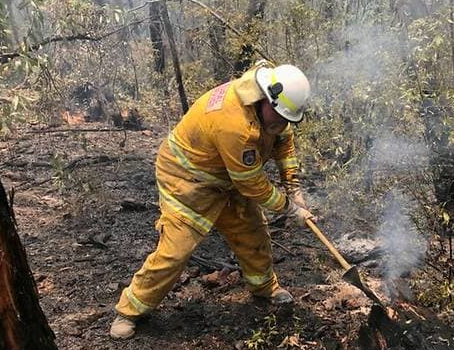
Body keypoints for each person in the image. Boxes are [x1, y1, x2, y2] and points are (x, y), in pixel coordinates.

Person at [109, 61, 315, 340]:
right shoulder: (234, 125)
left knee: (252, 232)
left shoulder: (274, 109)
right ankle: (129, 309)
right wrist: (291, 209)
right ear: (266, 97)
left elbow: (284, 141)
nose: (281, 125)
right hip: (187, 179)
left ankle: (264, 287)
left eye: (286, 120)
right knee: (176, 251)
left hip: (226, 176)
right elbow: (252, 184)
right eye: (278, 118)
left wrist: (294, 187)